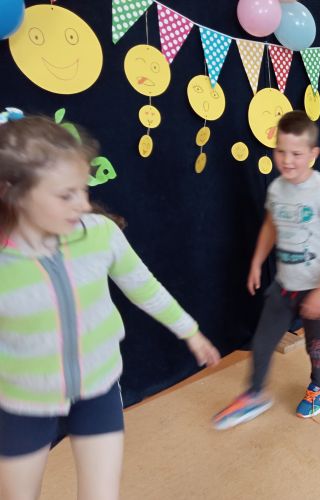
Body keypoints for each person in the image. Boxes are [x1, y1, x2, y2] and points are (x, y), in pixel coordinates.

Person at [0, 113, 220, 500]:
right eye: (66, 195)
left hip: (98, 388)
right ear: (12, 191)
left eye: (83, 189)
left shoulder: (100, 234)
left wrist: (190, 331)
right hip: (22, 401)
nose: (83, 204)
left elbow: (144, 287)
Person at [213, 110, 320, 430]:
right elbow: (270, 226)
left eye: (296, 154)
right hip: (285, 284)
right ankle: (254, 394)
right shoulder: (277, 188)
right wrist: (256, 262)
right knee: (262, 340)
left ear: (313, 154)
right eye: (281, 151)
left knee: (315, 343)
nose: (287, 160)